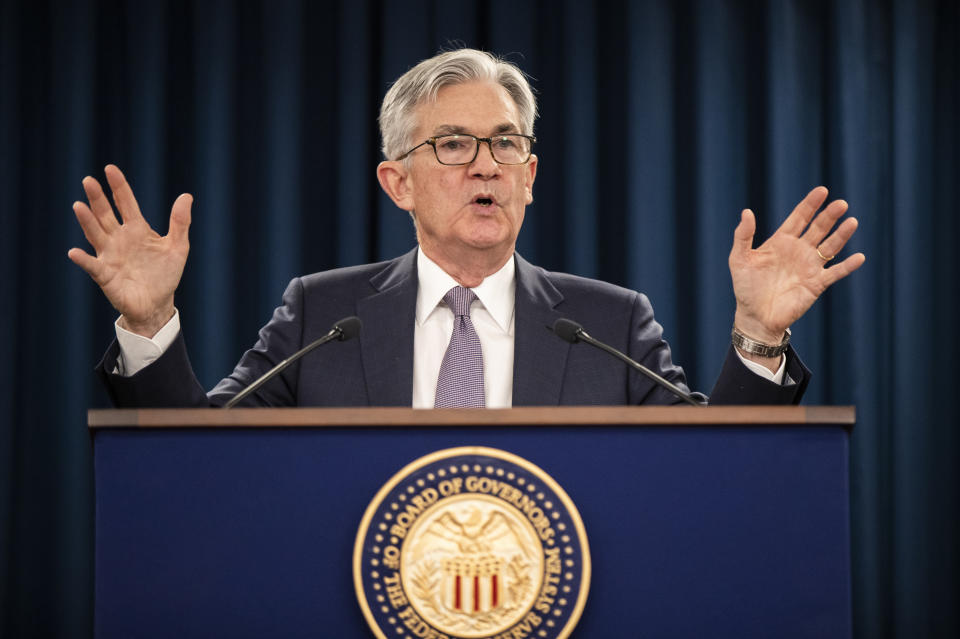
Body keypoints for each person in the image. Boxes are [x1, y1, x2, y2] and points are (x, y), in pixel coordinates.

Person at [68, 49, 865, 408]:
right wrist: (147, 324)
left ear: (529, 174)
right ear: (397, 181)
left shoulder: (609, 321)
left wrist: (758, 334)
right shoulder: (320, 316)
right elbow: (200, 458)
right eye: (452, 144)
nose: (484, 165)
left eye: (505, 144)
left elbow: (711, 474)